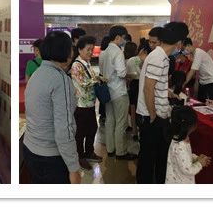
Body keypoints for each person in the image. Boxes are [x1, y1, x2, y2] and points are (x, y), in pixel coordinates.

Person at [23, 31, 81, 184]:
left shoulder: (37, 73)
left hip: (31, 149)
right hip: (51, 157)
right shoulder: (60, 79)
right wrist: (74, 167)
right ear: (66, 52)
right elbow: (64, 128)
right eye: (71, 48)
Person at [136, 27, 179, 184]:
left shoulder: (160, 56)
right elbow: (148, 88)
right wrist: (153, 115)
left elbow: (154, 84)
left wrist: (167, 92)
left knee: (153, 155)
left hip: (155, 113)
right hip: (151, 115)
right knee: (148, 157)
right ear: (178, 42)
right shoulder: (158, 57)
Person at [99, 26, 137, 160]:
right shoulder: (118, 52)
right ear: (118, 37)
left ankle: (110, 149)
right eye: (123, 38)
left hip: (107, 91)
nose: (124, 41)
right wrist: (131, 75)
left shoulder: (104, 52)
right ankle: (121, 152)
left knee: (110, 120)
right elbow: (121, 73)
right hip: (119, 91)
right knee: (121, 122)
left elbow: (102, 72)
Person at [70, 35, 102, 169]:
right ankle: (80, 157)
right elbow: (83, 83)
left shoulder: (87, 63)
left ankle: (89, 152)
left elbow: (91, 78)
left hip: (90, 104)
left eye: (92, 50)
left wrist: (97, 78)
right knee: (80, 133)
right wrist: (98, 79)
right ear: (79, 49)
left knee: (92, 129)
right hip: (81, 105)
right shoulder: (76, 65)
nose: (90, 52)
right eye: (88, 49)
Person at [165, 106, 211, 183]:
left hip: (176, 178)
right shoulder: (180, 145)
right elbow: (188, 170)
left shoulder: (178, 137)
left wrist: (196, 158)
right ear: (191, 126)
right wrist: (200, 163)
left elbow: (184, 157)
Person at [125, 41, 147, 141]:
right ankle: (142, 130)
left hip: (133, 85)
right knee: (143, 108)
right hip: (143, 85)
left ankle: (134, 133)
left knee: (133, 110)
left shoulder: (130, 60)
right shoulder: (147, 59)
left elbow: (127, 76)